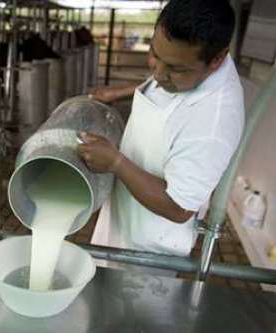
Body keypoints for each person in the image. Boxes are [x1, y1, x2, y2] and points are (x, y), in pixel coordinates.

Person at [77, 0, 245, 263]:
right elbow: (165, 74)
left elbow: (178, 207)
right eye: (154, 54)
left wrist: (115, 161)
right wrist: (120, 92)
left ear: (216, 59)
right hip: (123, 219)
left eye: (176, 69)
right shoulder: (188, 59)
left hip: (146, 251)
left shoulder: (213, 121)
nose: (158, 75)